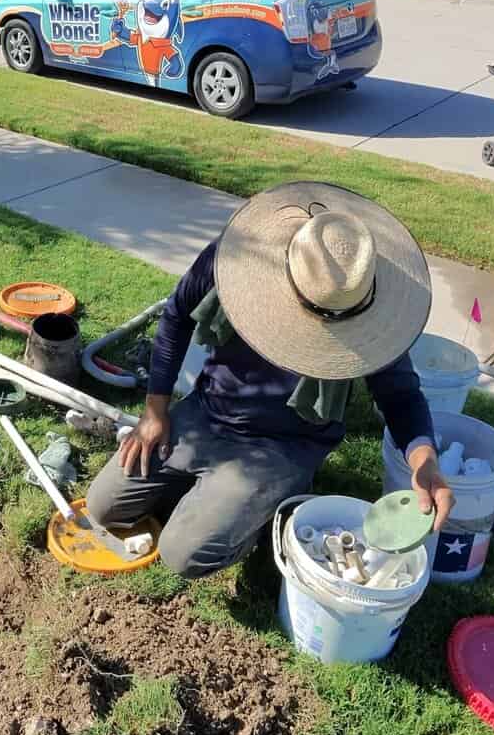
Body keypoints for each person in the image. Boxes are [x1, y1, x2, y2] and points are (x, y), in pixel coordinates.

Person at [88, 181, 454, 578]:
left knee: (183, 555)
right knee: (103, 507)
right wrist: (155, 412)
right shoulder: (236, 257)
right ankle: (212, 495)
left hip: (284, 445)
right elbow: (176, 315)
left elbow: (400, 396)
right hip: (208, 413)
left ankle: (271, 502)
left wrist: (425, 462)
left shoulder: (369, 306)